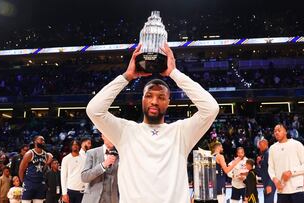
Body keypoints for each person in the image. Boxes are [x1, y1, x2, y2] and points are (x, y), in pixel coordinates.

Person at [86, 43, 219, 203]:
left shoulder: (181, 132)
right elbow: (94, 110)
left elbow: (211, 108)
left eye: (161, 97)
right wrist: (127, 76)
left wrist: (174, 73)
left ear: (168, 102)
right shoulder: (125, 131)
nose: (154, 101)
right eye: (149, 95)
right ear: (142, 99)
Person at [268, 124, 304, 203]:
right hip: (281, 190)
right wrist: (275, 180)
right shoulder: (272, 148)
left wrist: (291, 172)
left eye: (279, 130)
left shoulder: (297, 144)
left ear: (285, 132)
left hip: (297, 189)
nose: (276, 132)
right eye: (275, 131)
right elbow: (270, 168)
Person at [81, 134, 119, 203]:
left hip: (112, 199)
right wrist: (103, 165)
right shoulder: (92, 153)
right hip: (92, 199)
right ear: (103, 136)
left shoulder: (120, 156)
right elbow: (84, 177)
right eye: (109, 134)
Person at [19, 135, 53, 203]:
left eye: (44, 140)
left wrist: (48, 162)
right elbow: (21, 169)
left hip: (40, 184)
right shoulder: (29, 154)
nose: (43, 142)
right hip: (29, 183)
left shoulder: (46, 155)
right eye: (41, 140)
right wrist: (23, 182)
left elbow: (49, 159)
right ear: (35, 142)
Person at [256, 139, 276, 203]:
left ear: (266, 145)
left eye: (261, 145)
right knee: (267, 200)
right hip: (266, 182)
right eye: (259, 145)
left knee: (268, 201)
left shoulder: (268, 154)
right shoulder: (264, 155)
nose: (260, 147)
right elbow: (260, 173)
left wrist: (270, 185)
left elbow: (273, 170)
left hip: (270, 182)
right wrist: (258, 163)